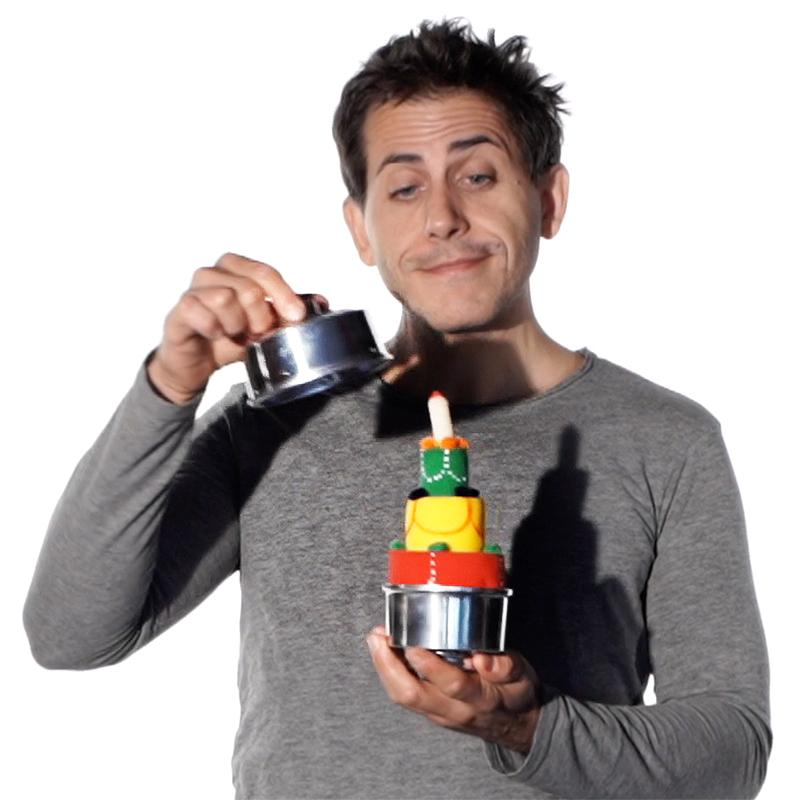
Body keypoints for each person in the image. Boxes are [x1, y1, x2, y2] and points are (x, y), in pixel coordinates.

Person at [23, 18, 771, 800]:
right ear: (361, 228)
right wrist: (168, 387)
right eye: (405, 188)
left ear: (549, 200)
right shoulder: (275, 424)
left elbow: (732, 751)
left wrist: (528, 727)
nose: (442, 217)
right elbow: (70, 636)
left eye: (478, 176)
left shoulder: (665, 440)